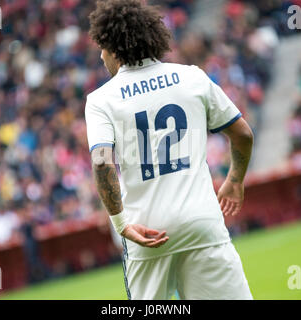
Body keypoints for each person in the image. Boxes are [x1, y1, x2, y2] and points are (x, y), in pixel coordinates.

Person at [85, 0, 254, 300]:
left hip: (147, 233)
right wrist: (236, 179)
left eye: (101, 47)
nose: (100, 55)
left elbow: (101, 163)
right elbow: (242, 133)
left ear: (113, 47)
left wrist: (121, 225)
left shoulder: (101, 100)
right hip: (202, 223)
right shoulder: (192, 77)